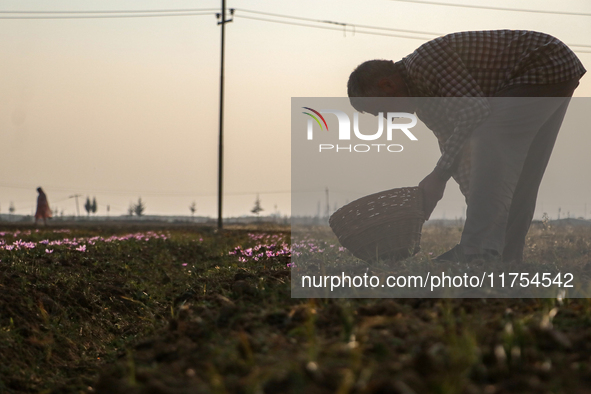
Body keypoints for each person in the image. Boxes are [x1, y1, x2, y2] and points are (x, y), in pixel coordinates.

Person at [347, 30, 586, 263]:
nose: (386, 118)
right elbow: (457, 151)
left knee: (488, 136)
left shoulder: (425, 63)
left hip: (544, 61)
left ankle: (477, 252)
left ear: (387, 85)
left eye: (380, 110)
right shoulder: (425, 105)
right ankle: (507, 256)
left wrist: (438, 177)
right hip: (550, 73)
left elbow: (474, 112)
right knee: (521, 174)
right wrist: (456, 192)